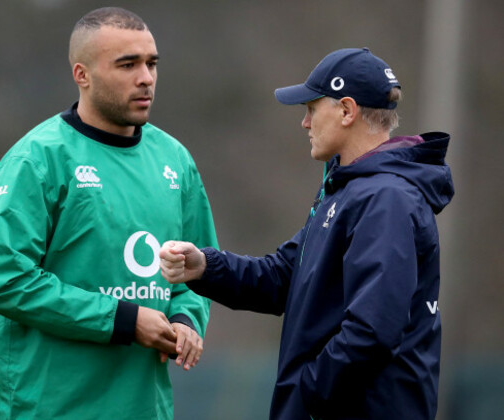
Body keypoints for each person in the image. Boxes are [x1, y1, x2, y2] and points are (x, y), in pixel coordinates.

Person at [159, 48, 454, 419]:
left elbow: (373, 330)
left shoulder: (386, 198)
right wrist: (205, 267)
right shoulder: (349, 189)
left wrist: (308, 392)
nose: (305, 123)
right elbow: (285, 276)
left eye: (313, 109)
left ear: (347, 111)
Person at [0, 7, 218, 419]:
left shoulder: (175, 160)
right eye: (127, 65)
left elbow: (198, 267)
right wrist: (123, 320)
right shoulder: (37, 160)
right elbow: (3, 279)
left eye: (151, 63)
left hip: (146, 407)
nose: (146, 77)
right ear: (82, 74)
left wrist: (185, 319)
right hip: (55, 408)